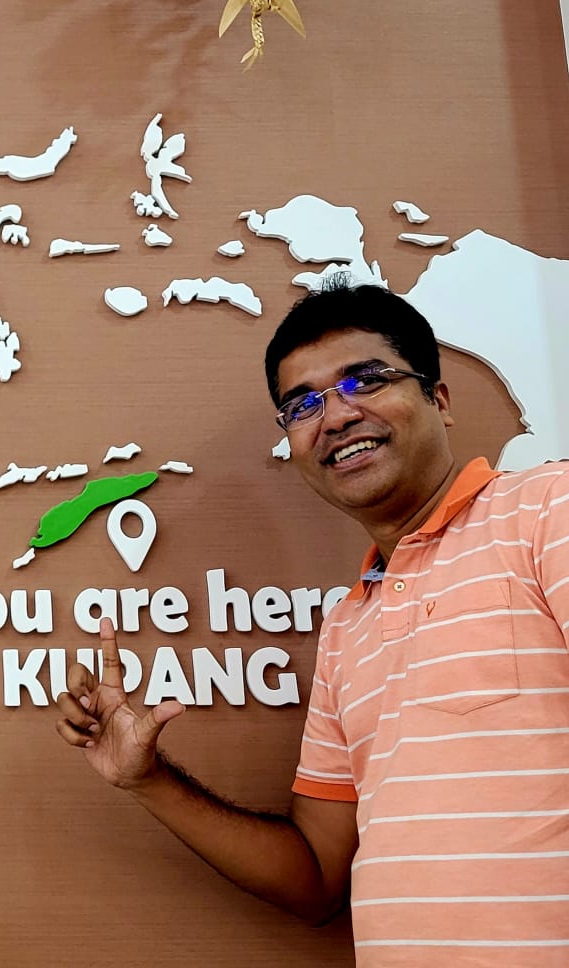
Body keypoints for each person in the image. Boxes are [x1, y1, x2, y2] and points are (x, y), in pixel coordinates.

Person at [56, 279, 569, 963]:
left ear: (439, 400)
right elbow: (317, 879)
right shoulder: (348, 627)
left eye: (365, 380)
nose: (334, 416)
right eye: (302, 404)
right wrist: (146, 778)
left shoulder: (547, 510)